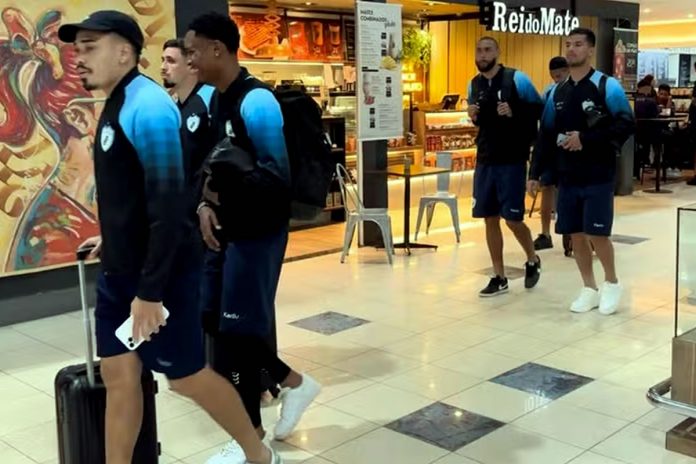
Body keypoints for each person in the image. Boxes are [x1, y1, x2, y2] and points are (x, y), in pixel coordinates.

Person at [59, 10, 281, 464]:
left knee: (186, 377)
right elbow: (134, 194)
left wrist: (150, 293)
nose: (78, 59)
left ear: (124, 52)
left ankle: (259, 454)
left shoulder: (149, 108)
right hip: (122, 270)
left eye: (89, 47)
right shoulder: (118, 102)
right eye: (76, 49)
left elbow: (169, 206)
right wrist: (115, 238)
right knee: (119, 375)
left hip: (160, 277)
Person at [183, 13, 321, 463]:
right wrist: (205, 205)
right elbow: (208, 169)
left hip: (257, 233)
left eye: (193, 51)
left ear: (218, 49)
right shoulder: (215, 98)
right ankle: (294, 384)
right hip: (225, 231)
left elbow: (275, 180)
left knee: (238, 331)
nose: (190, 60)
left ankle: (253, 441)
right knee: (215, 321)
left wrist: (230, 182)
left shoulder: (256, 101)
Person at [528, 28, 635, 315]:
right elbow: (546, 135)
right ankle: (589, 287)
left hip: (598, 174)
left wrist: (585, 139)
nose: (571, 49)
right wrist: (535, 173)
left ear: (590, 50)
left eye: (578, 45)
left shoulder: (606, 86)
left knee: (597, 233)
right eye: (568, 45)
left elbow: (625, 124)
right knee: (575, 234)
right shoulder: (556, 92)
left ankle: (611, 283)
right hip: (567, 175)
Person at [467, 36, 543, 297]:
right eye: (479, 50)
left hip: (512, 159)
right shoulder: (474, 84)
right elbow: (479, 119)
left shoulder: (516, 78)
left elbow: (539, 110)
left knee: (512, 219)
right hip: (485, 158)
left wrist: (514, 112)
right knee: (489, 218)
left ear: (497, 52)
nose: (483, 55)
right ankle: (499, 276)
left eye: (488, 50)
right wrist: (474, 116)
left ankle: (532, 258)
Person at [534, 56, 570, 251]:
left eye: (560, 75)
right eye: (554, 76)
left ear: (568, 71)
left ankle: (570, 231)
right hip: (550, 148)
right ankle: (545, 232)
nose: (557, 79)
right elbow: (542, 121)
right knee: (546, 187)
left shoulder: (576, 90)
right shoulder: (548, 92)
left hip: (570, 149)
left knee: (567, 190)